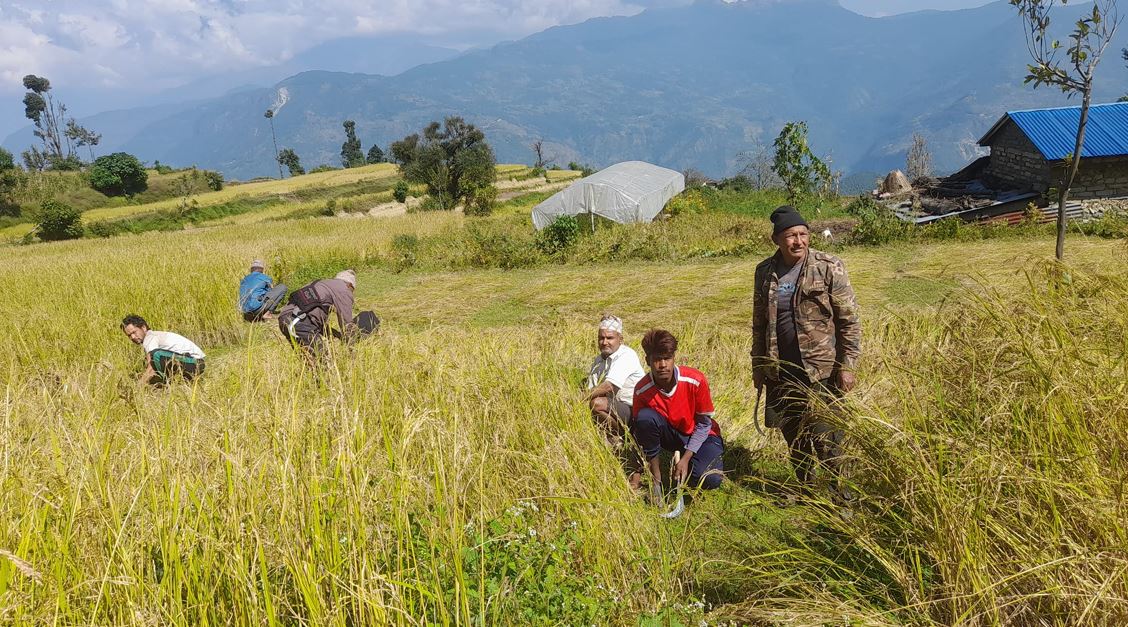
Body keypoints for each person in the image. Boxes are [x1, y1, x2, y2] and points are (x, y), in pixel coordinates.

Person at [751, 205, 861, 498]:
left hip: (821, 368)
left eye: (802, 234)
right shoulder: (764, 272)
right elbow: (758, 323)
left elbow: (849, 320)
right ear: (777, 239)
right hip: (781, 369)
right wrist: (758, 366)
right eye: (790, 236)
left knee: (829, 435)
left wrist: (847, 366)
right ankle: (807, 489)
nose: (797, 241)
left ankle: (841, 496)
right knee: (793, 432)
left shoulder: (828, 266)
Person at [631, 329, 724, 492]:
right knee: (644, 417)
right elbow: (641, 432)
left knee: (710, 478)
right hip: (672, 434)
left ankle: (693, 463)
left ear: (674, 358)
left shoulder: (695, 380)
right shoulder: (641, 390)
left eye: (667, 358)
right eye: (657, 359)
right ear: (647, 360)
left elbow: (704, 425)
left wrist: (686, 458)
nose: (662, 365)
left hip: (703, 435)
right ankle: (657, 480)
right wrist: (637, 473)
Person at [584, 314, 646, 487]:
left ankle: (622, 436)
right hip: (616, 409)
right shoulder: (598, 360)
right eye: (601, 338)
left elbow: (609, 386)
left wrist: (578, 399)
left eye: (610, 338)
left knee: (596, 403)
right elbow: (592, 388)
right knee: (595, 403)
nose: (605, 342)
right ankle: (615, 436)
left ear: (620, 339)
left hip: (634, 409)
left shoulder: (627, 355)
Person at [277, 269, 358, 357]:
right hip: (300, 322)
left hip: (285, 320)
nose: (351, 293)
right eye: (352, 290)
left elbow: (312, 318)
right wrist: (352, 348)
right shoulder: (344, 289)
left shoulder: (319, 284)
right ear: (350, 285)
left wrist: (337, 335)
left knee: (310, 362)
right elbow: (347, 323)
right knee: (324, 361)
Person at [120, 314, 206, 385]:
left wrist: (139, 387)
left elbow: (151, 367)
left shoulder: (150, 338)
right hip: (194, 363)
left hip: (195, 363)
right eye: (129, 335)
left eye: (134, 332)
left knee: (155, 355)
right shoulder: (153, 336)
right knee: (152, 359)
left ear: (143, 328)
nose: (133, 337)